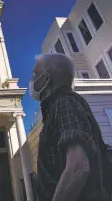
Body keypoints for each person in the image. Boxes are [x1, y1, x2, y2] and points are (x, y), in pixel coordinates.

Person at [29, 53, 109, 201]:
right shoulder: (58, 107)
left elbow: (78, 167)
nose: (31, 80)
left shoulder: (64, 103)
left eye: (35, 74)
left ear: (46, 79)